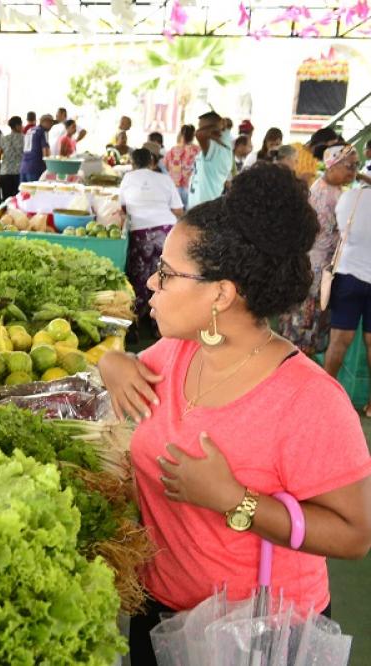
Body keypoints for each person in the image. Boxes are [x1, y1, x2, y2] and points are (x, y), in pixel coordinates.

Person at [99, 162, 371, 664]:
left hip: (254, 634)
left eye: (167, 272)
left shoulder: (310, 401)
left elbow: (354, 534)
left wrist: (234, 500)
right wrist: (111, 361)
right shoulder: (178, 352)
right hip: (159, 610)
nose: (151, 284)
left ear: (221, 293)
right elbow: (128, 369)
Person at [279, 144, 358, 356]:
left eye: (357, 166)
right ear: (333, 165)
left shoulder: (338, 191)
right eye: (350, 166)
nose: (355, 171)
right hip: (311, 272)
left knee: (313, 331)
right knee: (302, 332)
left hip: (323, 272)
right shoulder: (319, 194)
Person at [120, 148, 184, 323]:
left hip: (141, 231)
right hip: (166, 230)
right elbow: (178, 210)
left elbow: (122, 207)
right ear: (152, 162)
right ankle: (160, 323)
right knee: (164, 276)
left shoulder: (128, 178)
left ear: (132, 163)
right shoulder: (164, 178)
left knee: (139, 276)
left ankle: (135, 322)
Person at [325, 186, 371, 413]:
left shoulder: (353, 195)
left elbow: (342, 231)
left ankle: (325, 397)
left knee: (339, 340)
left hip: (349, 273)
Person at [186, 111, 233, 208]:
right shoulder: (219, 145)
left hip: (203, 210)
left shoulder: (216, 150)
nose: (198, 130)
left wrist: (218, 125)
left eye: (202, 127)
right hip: (201, 208)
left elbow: (199, 134)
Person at [161, 124, 200, 209]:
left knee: (176, 215)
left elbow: (165, 167)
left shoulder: (172, 150)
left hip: (175, 187)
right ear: (193, 136)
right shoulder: (197, 150)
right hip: (190, 188)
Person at [0, 115, 24, 201]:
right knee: (18, 200)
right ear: (17, 126)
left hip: (5, 172)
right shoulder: (25, 138)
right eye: (21, 124)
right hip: (19, 173)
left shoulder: (3, 139)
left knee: (7, 200)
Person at [19, 113, 53, 184]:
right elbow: (45, 152)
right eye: (51, 122)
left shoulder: (30, 130)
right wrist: (49, 167)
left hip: (24, 167)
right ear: (45, 122)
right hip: (36, 167)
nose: (51, 125)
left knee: (24, 193)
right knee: (36, 193)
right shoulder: (42, 132)